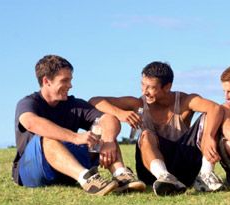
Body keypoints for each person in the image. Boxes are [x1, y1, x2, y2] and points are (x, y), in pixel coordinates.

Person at [12, 55, 145, 196]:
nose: (70, 85)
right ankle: (87, 180)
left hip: (66, 169)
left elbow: (108, 119)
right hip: (33, 169)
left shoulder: (74, 104)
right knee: (48, 138)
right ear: (46, 81)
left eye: (70, 80)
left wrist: (108, 140)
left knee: (103, 132)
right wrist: (75, 137)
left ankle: (121, 175)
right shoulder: (28, 103)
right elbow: (30, 122)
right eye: (64, 80)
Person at [89, 61, 225, 196]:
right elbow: (94, 101)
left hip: (185, 168)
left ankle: (206, 176)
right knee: (147, 134)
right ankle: (165, 178)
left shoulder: (185, 101)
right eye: (143, 84)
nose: (144, 91)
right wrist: (120, 113)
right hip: (152, 174)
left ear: (167, 87)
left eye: (151, 87)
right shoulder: (138, 104)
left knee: (209, 117)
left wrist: (208, 136)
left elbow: (215, 108)